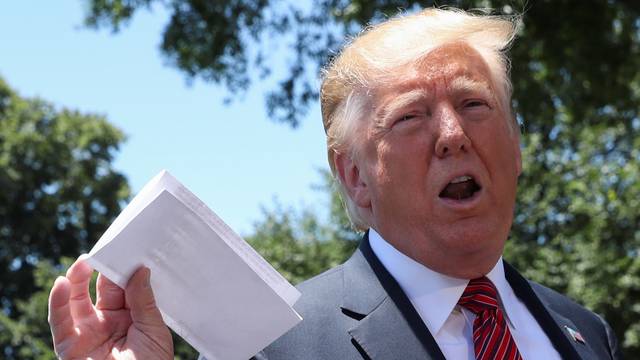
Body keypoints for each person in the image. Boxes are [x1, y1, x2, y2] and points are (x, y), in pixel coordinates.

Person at [48, 8, 623, 360]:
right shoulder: (272, 348)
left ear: (517, 143)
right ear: (354, 175)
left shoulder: (585, 333)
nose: (452, 134)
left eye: (474, 104)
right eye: (411, 117)